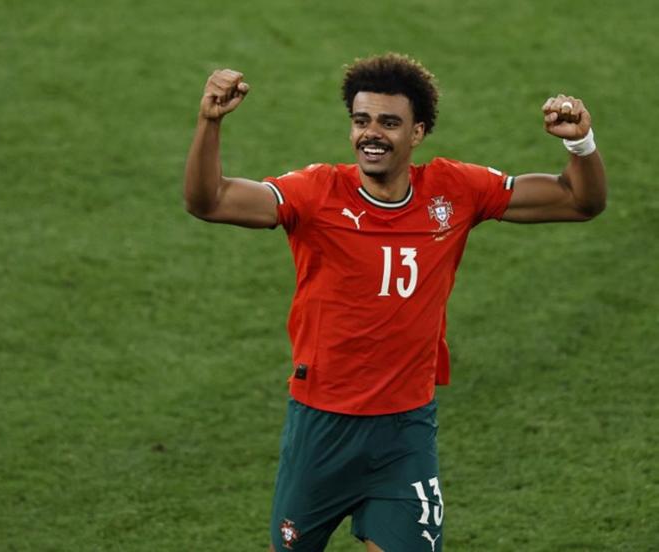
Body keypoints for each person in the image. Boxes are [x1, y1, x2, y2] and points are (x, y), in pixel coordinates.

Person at [183, 53, 606, 552]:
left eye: (389, 122)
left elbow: (580, 202)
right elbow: (208, 201)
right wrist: (210, 122)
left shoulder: (455, 191)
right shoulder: (316, 194)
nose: (372, 134)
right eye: (361, 121)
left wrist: (580, 143)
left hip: (404, 432)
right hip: (322, 427)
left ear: (418, 132)